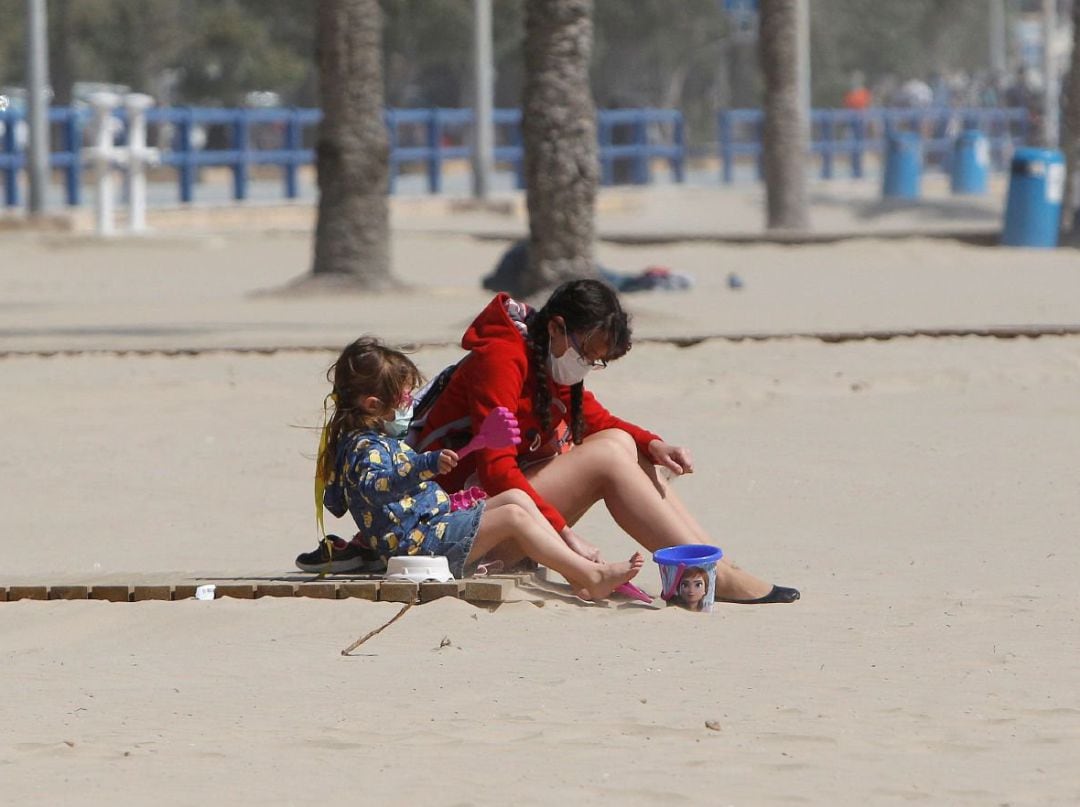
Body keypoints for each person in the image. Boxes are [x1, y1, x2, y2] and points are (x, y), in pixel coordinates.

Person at [412, 278, 799, 604]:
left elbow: (598, 421)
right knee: (607, 457)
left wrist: (654, 445)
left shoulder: (545, 357)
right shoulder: (502, 358)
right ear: (557, 328)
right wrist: (562, 534)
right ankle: (701, 571)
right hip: (457, 529)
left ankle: (715, 563)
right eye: (587, 354)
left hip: (494, 510)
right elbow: (495, 469)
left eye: (596, 361)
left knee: (620, 442)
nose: (587, 366)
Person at [294, 336, 644, 600]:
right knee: (513, 518)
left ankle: (576, 572)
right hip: (417, 544)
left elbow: (339, 500)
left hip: (429, 526)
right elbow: (377, 486)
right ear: (373, 404)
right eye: (403, 399)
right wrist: (423, 466)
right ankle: (590, 578)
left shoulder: (371, 442)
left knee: (515, 499)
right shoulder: (362, 448)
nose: (409, 406)